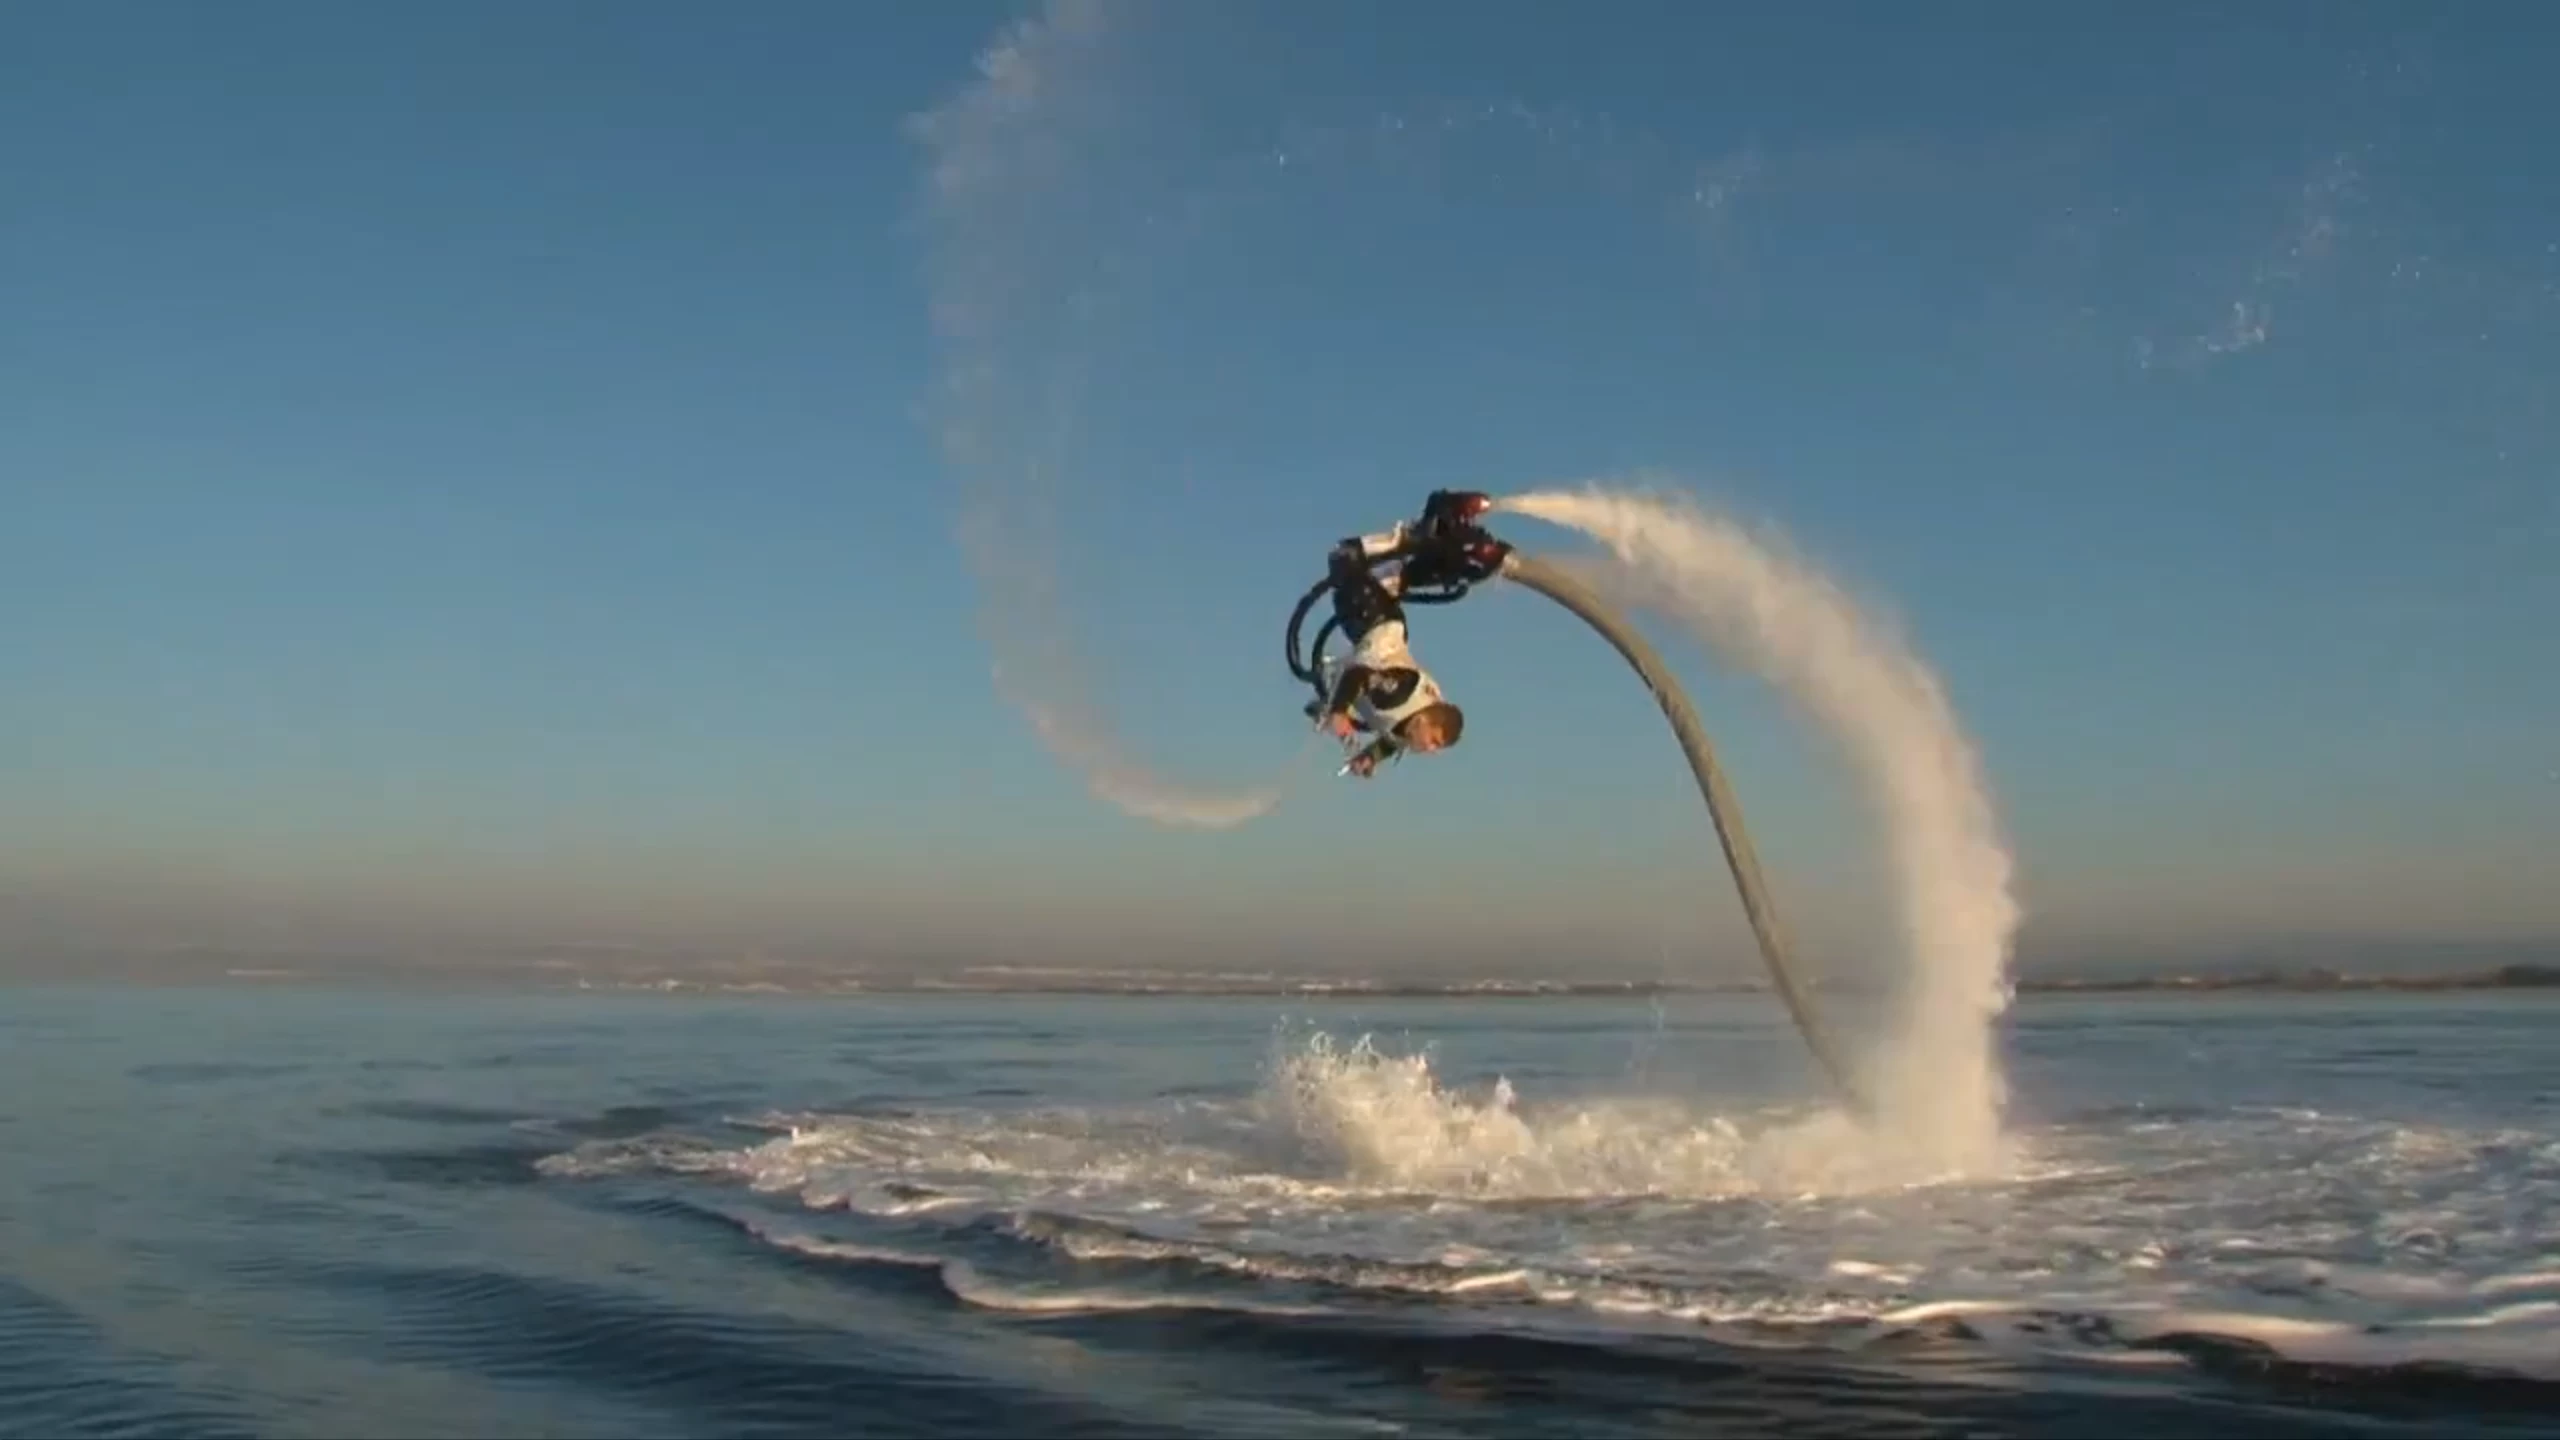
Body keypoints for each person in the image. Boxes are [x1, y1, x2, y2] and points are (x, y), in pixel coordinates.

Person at [1308, 519, 1468, 778]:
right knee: (1342, 557)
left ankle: (1405, 567)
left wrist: (1369, 758)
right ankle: (1407, 538)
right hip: (1373, 618)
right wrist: (1339, 712)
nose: (1432, 750)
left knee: (1376, 574)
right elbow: (1357, 676)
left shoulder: (1409, 727)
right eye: (1434, 741)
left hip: (1381, 629)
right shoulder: (1400, 693)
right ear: (1424, 720)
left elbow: (1392, 741)